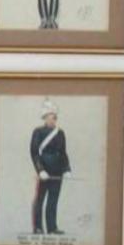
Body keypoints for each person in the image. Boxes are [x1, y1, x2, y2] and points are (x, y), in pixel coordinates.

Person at [29, 100, 71, 235]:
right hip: (44, 171)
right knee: (40, 199)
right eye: (51, 117)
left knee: (53, 200)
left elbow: (63, 152)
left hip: (57, 172)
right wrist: (40, 170)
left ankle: (52, 228)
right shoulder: (38, 132)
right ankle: (38, 227)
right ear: (45, 117)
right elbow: (34, 153)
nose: (53, 119)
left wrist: (66, 169)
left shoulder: (60, 133)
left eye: (54, 117)